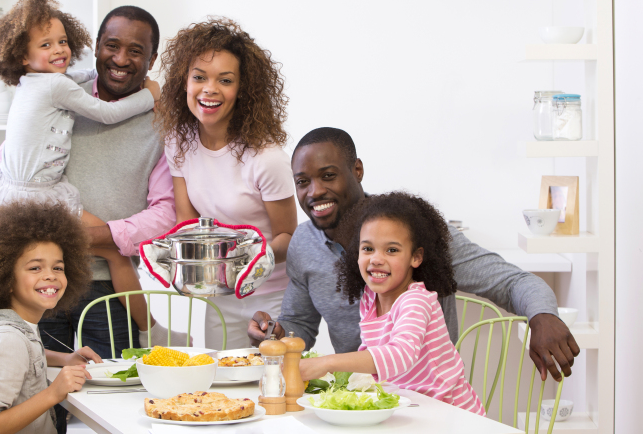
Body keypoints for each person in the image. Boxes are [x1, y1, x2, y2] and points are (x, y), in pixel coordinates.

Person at [249, 127, 580, 383]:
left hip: (429, 396)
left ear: (357, 170)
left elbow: (512, 283)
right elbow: (300, 327)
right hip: (358, 397)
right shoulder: (304, 244)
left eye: (329, 176)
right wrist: (276, 333)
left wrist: (542, 315)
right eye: (303, 182)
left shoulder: (413, 230)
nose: (315, 191)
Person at [0, 5, 183, 358]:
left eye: (135, 51)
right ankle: (152, 328)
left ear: (151, 61)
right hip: (37, 280)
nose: (120, 58)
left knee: (114, 387)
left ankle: (152, 329)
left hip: (105, 286)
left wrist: (93, 238)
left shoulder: (166, 124)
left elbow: (167, 213)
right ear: (96, 46)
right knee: (39, 390)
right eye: (112, 45)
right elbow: (6, 164)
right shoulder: (61, 92)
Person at [156, 17, 297, 349]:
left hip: (271, 293)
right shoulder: (179, 141)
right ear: (184, 83)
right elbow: (187, 223)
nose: (210, 89)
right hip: (218, 293)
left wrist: (245, 264)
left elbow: (289, 237)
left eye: (225, 80)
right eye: (199, 77)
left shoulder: (266, 158)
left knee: (272, 385)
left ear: (242, 89)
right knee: (223, 385)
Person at [300, 192, 485, 415]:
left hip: (451, 413)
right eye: (368, 248)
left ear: (415, 257)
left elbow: (400, 355)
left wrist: (328, 363)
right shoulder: (370, 298)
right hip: (413, 408)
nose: (376, 259)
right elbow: (372, 354)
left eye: (392, 250)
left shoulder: (415, 301)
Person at [0, 201, 103, 434]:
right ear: (4, 277)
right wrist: (54, 393)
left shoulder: (7, 325)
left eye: (58, 268)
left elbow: (23, 355)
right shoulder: (8, 340)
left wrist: (65, 358)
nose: (50, 276)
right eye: (35, 268)